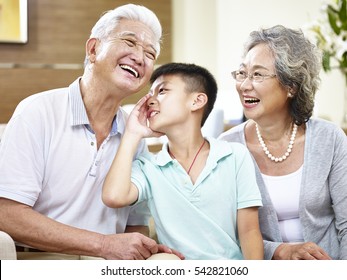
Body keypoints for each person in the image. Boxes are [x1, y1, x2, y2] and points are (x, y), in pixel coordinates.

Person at [0, 4, 179, 260]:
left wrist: (139, 250)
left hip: (107, 264)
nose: (140, 58)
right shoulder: (37, 112)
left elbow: (135, 222)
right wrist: (103, 244)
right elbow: (6, 213)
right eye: (129, 42)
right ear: (93, 49)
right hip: (43, 258)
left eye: (150, 54)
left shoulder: (134, 133)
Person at [102, 62, 264, 260]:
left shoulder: (235, 155)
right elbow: (113, 197)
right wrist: (131, 134)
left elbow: (249, 232)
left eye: (162, 91)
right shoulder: (148, 167)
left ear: (197, 101)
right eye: (150, 93)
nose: (149, 101)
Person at [219, 25, 347, 260]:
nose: (245, 85)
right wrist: (279, 251)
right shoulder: (226, 147)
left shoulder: (330, 138)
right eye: (242, 73)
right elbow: (225, 234)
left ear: (291, 86)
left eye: (257, 74)